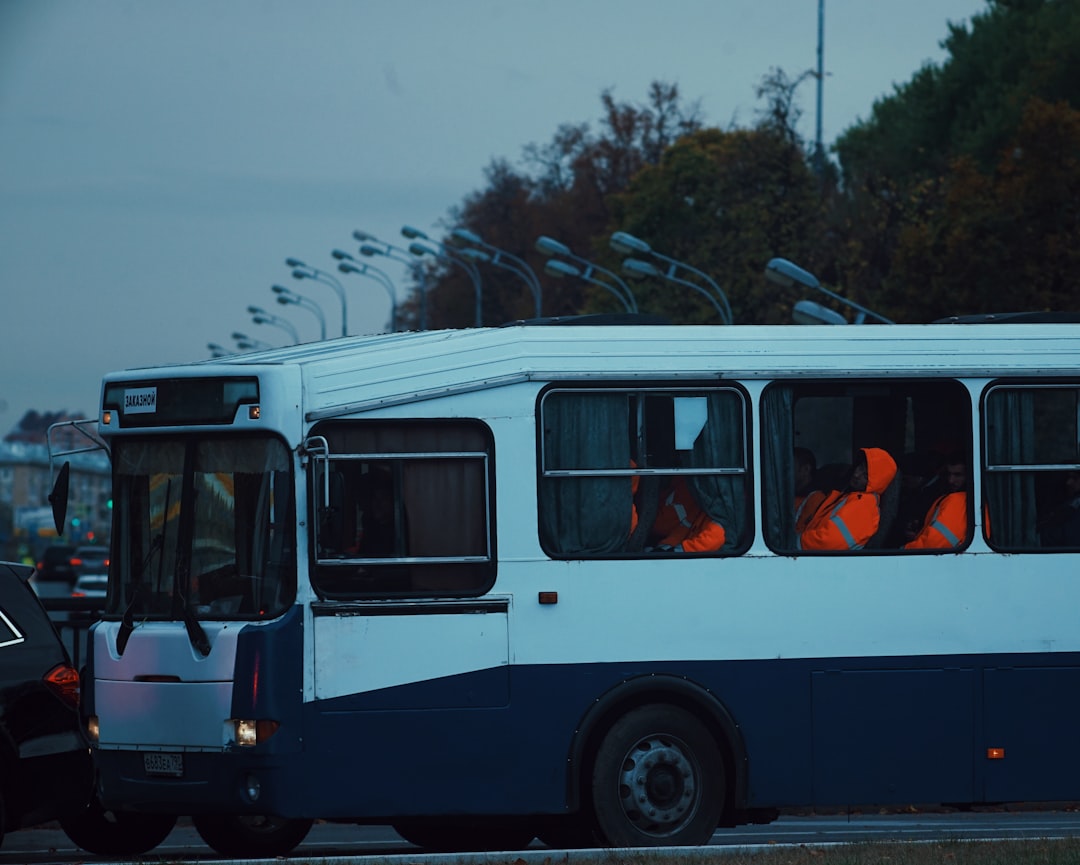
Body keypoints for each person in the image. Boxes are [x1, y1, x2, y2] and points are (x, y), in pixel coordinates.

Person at [799, 447, 896, 551]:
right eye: (860, 467)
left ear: (876, 483)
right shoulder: (849, 496)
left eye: (865, 475)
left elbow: (828, 542)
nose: (856, 474)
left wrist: (795, 543)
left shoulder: (864, 507)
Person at [903, 453, 968, 550]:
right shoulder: (947, 497)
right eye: (948, 474)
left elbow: (935, 543)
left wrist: (904, 550)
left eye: (958, 475)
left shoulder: (958, 500)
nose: (951, 480)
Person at [648, 475, 726, 552]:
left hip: (688, 557)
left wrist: (678, 550)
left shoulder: (721, 508)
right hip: (670, 548)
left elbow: (716, 538)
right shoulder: (684, 485)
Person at [1038, 471, 1080, 547]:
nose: (1068, 483)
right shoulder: (1066, 504)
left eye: (1075, 478)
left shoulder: (1073, 508)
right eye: (1067, 478)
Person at [793, 447, 826, 534]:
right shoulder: (789, 494)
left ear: (806, 469)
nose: (786, 473)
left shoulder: (816, 499)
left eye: (791, 467)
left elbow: (799, 533)